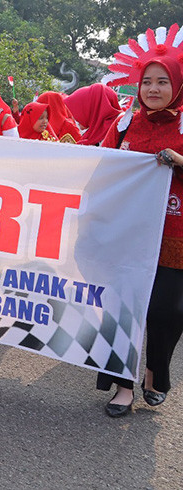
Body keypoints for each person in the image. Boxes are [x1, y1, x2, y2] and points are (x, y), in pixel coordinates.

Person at [98, 54, 183, 417]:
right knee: (121, 310)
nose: (153, 89)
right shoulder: (121, 124)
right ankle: (123, 385)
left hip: (174, 240)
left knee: (166, 312)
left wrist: (178, 162)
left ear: (177, 86)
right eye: (147, 81)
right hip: (125, 237)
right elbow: (100, 170)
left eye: (162, 81)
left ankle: (154, 374)